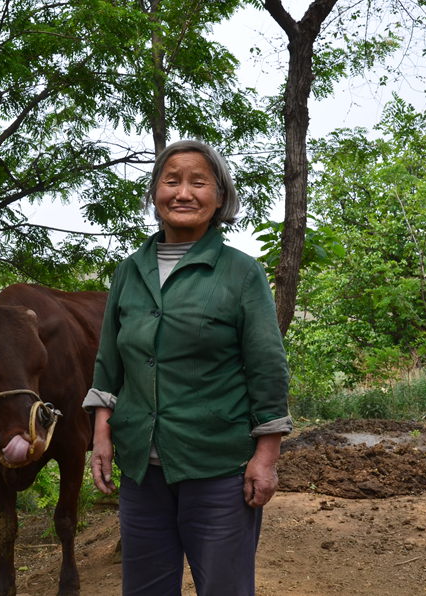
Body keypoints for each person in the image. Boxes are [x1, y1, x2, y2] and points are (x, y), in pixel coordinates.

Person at [82, 139, 292, 596]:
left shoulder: (240, 272)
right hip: (143, 470)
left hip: (217, 466)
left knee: (224, 587)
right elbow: (110, 361)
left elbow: (267, 366)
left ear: (220, 197)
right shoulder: (128, 272)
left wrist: (266, 456)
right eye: (171, 180)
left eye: (199, 182)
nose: (183, 192)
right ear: (155, 193)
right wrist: (102, 434)